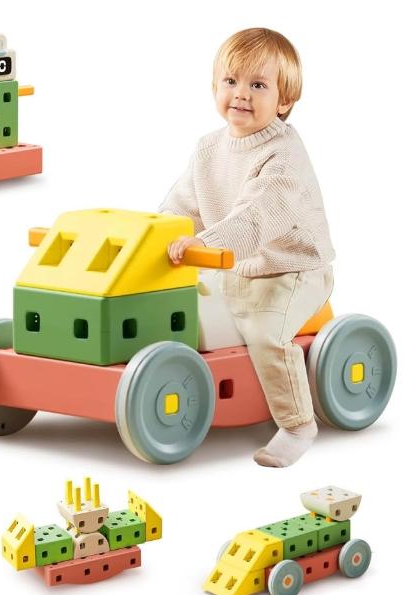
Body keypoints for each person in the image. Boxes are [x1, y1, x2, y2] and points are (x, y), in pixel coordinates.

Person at [161, 28, 335, 467]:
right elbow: (182, 205)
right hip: (234, 267)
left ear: (284, 101)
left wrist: (204, 243)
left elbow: (256, 217)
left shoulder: (284, 154)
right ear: (215, 87)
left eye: (258, 85)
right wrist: (156, 236)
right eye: (231, 81)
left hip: (292, 270)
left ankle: (297, 425)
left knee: (264, 333)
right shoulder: (208, 149)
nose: (241, 93)